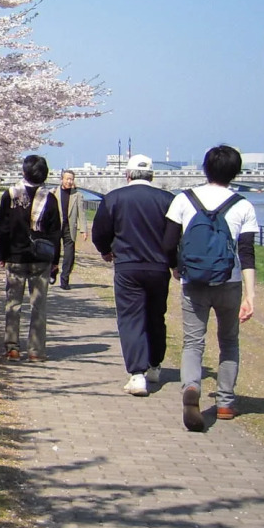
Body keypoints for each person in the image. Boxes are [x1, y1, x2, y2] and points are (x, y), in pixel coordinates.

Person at [163, 145, 258, 432]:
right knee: (228, 341)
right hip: (229, 283)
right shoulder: (243, 205)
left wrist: (176, 267)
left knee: (193, 342)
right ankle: (226, 402)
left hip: (194, 281)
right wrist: (251, 295)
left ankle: (191, 387)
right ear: (235, 172)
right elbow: (247, 253)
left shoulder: (183, 199)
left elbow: (168, 243)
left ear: (205, 169)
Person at [90, 154, 174, 396]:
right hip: (159, 266)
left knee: (130, 317)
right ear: (152, 175)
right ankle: (156, 364)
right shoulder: (167, 200)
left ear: (127, 175)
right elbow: (174, 236)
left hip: (127, 265)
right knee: (156, 315)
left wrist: (106, 251)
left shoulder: (114, 198)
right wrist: (174, 261)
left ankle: (137, 374)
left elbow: (100, 231)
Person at [0, 154, 61, 361]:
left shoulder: (10, 195)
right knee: (38, 305)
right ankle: (36, 351)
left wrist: (2, 254)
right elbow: (55, 233)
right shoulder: (49, 198)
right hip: (41, 259)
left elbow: (2, 229)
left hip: (15, 256)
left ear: (24, 172)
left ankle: (12, 347)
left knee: (13, 304)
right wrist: (56, 260)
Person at [53, 169, 88, 289]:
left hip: (70, 227)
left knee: (69, 254)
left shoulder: (77, 195)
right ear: (62, 179)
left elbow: (81, 213)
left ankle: (65, 280)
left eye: (71, 179)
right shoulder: (54, 193)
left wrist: (84, 229)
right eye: (67, 179)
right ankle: (53, 270)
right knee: (54, 252)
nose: (69, 181)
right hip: (56, 226)